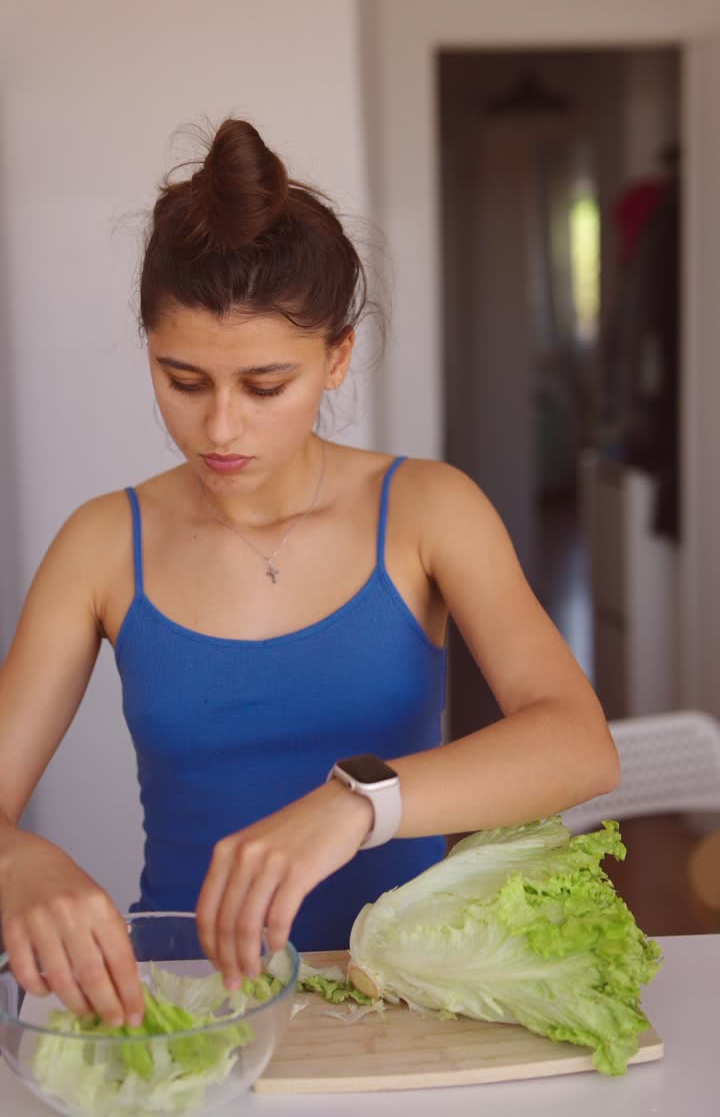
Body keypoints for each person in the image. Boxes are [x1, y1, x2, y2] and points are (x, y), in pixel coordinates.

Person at [0, 118, 619, 1031]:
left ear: (337, 357)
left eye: (264, 387)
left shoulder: (428, 509)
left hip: (403, 1002)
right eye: (183, 380)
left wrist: (359, 802)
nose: (220, 428)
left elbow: (579, 745)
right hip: (189, 1006)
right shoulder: (100, 544)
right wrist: (15, 860)